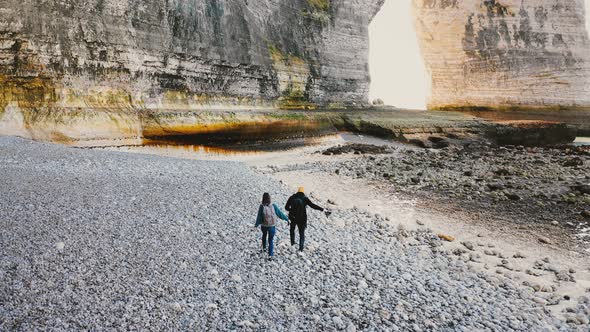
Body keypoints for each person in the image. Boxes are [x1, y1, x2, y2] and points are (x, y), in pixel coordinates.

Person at [285, 187, 329, 252]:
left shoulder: (292, 197)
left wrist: (291, 210)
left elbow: (286, 207)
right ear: (303, 192)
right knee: (301, 233)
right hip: (302, 219)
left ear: (297, 191)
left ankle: (292, 244)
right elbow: (312, 205)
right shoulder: (305, 198)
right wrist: (322, 209)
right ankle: (301, 249)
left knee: (292, 230)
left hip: (293, 218)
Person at [255, 193, 289, 258]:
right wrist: (287, 219)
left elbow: (259, 216)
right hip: (272, 226)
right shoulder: (273, 206)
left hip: (264, 226)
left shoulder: (261, 206)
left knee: (264, 235)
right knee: (271, 240)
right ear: (269, 198)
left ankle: (264, 248)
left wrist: (256, 225)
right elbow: (280, 214)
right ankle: (270, 255)